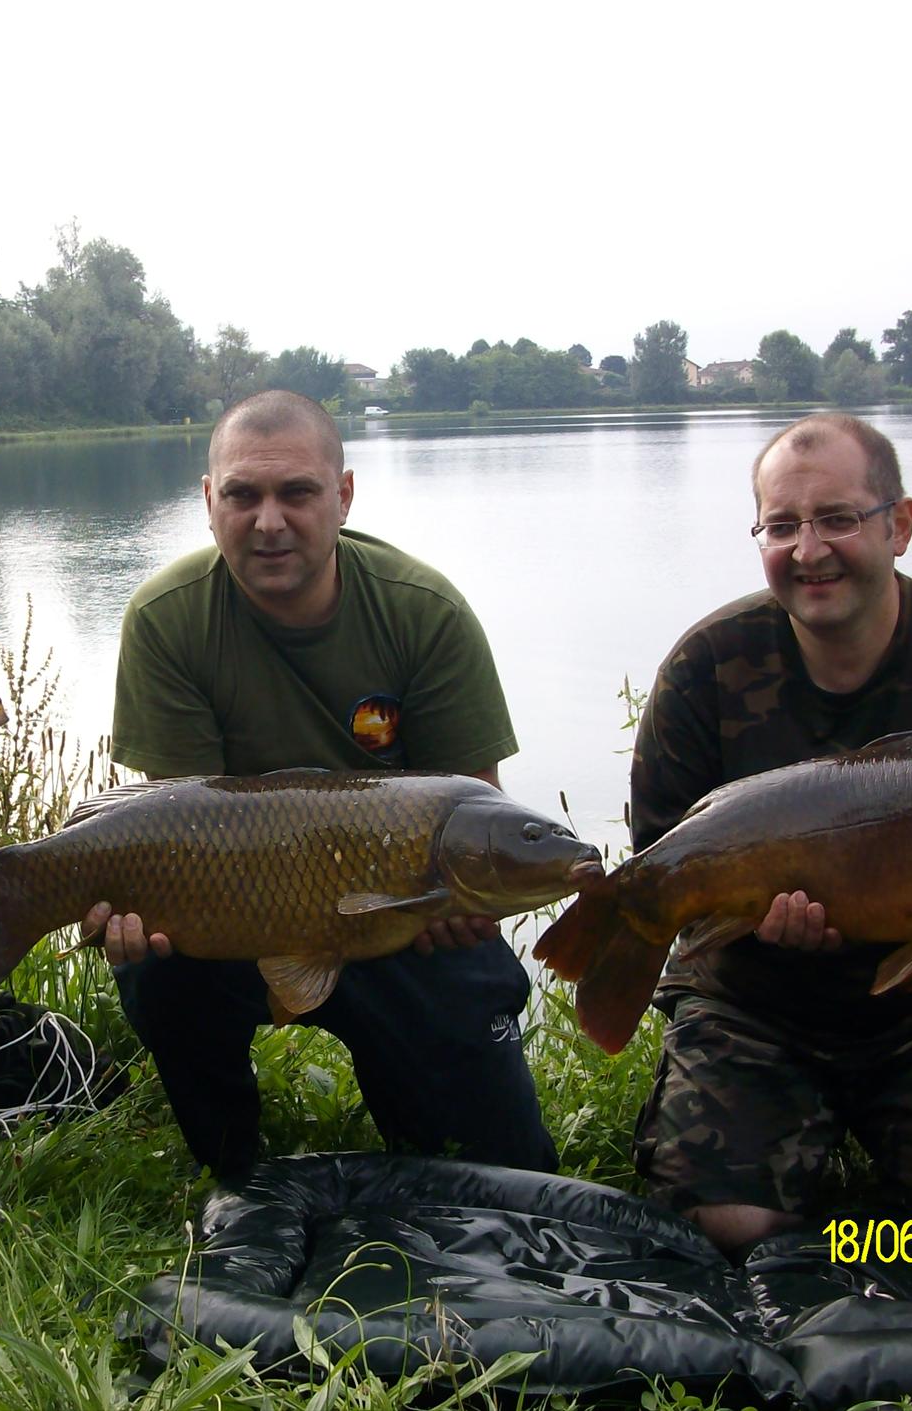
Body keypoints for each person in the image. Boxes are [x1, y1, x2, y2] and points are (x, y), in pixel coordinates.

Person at [629, 411, 912, 1252]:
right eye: (782, 525)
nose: (809, 550)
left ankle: (883, 1224)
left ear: (899, 524)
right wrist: (739, 921)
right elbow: (663, 858)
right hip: (752, 1002)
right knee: (727, 1228)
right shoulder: (706, 668)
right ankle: (816, 1200)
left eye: (838, 518)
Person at [81, 388, 560, 1180]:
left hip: (399, 921)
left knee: (503, 1170)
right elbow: (176, 831)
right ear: (209, 502)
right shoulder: (167, 619)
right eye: (243, 494)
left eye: (296, 492)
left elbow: (477, 814)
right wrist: (134, 906)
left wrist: (455, 909)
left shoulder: (423, 612)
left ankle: (443, 1133)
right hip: (237, 913)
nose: (269, 521)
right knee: (158, 966)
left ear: (342, 496)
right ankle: (234, 1168)